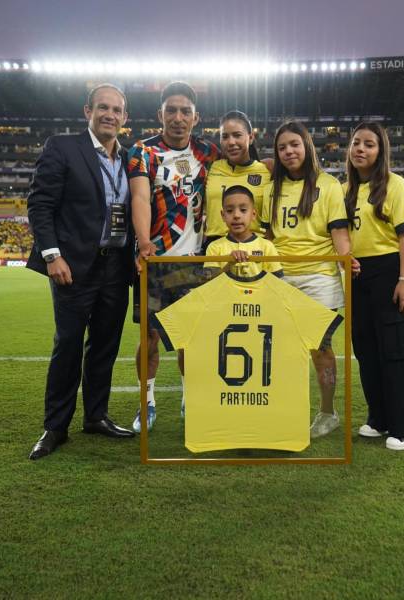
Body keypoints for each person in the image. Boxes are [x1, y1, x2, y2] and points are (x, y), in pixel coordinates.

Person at [26, 83, 136, 460]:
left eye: (116, 110)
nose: (110, 114)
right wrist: (52, 255)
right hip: (73, 265)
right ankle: (55, 427)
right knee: (68, 345)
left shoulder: (131, 157)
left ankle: (96, 416)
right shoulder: (63, 147)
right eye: (102, 107)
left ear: (125, 117)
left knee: (105, 345)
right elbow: (40, 204)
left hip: (117, 266)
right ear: (87, 110)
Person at [129, 81, 220, 433]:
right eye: (171, 111)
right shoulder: (143, 152)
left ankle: (189, 398)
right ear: (160, 115)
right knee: (148, 338)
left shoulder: (208, 153)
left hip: (195, 264)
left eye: (185, 112)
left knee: (191, 339)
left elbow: (246, 163)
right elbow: (139, 197)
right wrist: (142, 243)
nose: (178, 118)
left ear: (196, 117)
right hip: (154, 262)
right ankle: (146, 402)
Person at [259, 121, 359, 438]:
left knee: (321, 348)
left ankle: (327, 413)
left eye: (295, 144)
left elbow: (339, 231)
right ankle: (286, 409)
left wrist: (346, 261)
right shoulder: (269, 188)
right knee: (282, 349)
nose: (289, 151)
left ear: (307, 147)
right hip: (280, 276)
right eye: (283, 146)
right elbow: (267, 234)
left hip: (320, 277)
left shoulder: (328, 185)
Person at [344, 122, 404, 451]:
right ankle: (379, 418)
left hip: (390, 270)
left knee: (394, 351)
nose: (360, 149)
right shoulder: (344, 190)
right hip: (357, 275)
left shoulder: (395, 184)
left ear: (381, 152)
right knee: (366, 352)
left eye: (369, 144)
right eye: (356, 143)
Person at [204, 111, 273, 250]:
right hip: (214, 249)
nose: (231, 142)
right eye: (225, 136)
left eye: (237, 135)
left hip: (253, 250)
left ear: (251, 137)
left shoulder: (267, 170)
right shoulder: (213, 168)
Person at [204, 185, 283, 278]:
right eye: (229, 211)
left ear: (253, 214)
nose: (236, 215)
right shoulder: (214, 248)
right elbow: (210, 284)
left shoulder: (266, 246)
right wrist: (229, 264)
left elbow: (276, 282)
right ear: (223, 215)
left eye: (243, 210)